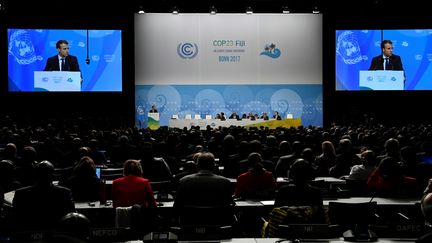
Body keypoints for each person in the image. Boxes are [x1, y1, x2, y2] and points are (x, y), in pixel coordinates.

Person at [13, 160, 76, 231]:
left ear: (35, 176)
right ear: (52, 176)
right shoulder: (65, 193)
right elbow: (71, 216)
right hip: (56, 232)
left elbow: (16, 217)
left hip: (28, 231)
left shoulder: (21, 193)